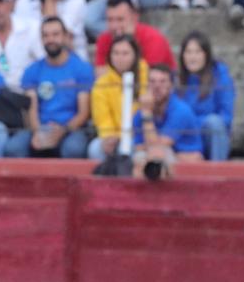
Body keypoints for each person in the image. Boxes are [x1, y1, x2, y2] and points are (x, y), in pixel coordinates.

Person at [19, 14, 91, 158]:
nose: (50, 39)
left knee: (73, 149)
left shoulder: (82, 68)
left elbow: (83, 113)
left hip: (71, 129)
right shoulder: (32, 71)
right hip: (41, 127)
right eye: (45, 35)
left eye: (55, 34)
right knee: (14, 148)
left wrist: (62, 131)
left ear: (65, 37)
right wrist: (38, 132)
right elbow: (31, 110)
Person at [174, 30, 231, 161]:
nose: (192, 57)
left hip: (207, 135)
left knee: (214, 123)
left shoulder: (220, 77)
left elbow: (226, 117)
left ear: (206, 55)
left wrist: (193, 125)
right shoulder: (176, 79)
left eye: (197, 52)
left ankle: (217, 173)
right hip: (183, 137)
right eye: (188, 52)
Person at [86, 29, 141, 160]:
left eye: (125, 53)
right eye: (115, 53)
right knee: (95, 149)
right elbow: (102, 119)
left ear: (135, 55)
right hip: (114, 136)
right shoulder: (101, 84)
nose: (120, 58)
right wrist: (110, 136)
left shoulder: (147, 76)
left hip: (141, 137)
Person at [132, 62, 199, 168]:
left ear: (171, 86)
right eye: (152, 81)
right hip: (169, 157)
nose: (157, 86)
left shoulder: (181, 110)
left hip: (187, 164)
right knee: (137, 157)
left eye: (162, 81)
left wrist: (147, 113)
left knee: (159, 155)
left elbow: (156, 147)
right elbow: (137, 147)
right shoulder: (140, 112)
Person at [0, 0, 41, 90]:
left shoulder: (32, 29)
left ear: (11, 4)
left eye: (0, 2)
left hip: (27, 94)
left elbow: (45, 62)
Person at [94, 0, 168, 69]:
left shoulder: (153, 38)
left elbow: (152, 78)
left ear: (135, 17)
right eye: (110, 19)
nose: (114, 26)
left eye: (120, 19)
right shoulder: (104, 38)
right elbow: (100, 74)